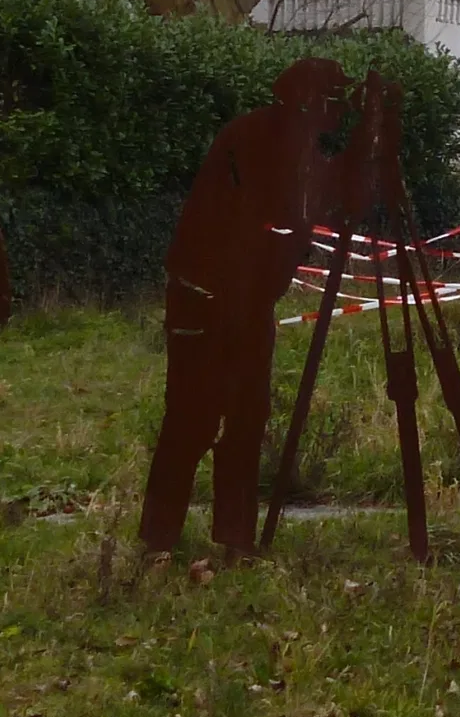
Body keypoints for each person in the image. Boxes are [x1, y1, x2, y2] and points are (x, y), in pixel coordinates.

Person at [139, 56, 352, 555]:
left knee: (247, 420)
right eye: (333, 101)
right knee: (192, 419)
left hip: (247, 300)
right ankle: (158, 539)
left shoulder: (288, 140)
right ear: (309, 101)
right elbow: (290, 202)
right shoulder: (258, 137)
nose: (338, 114)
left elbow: (314, 196)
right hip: (206, 300)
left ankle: (233, 539)